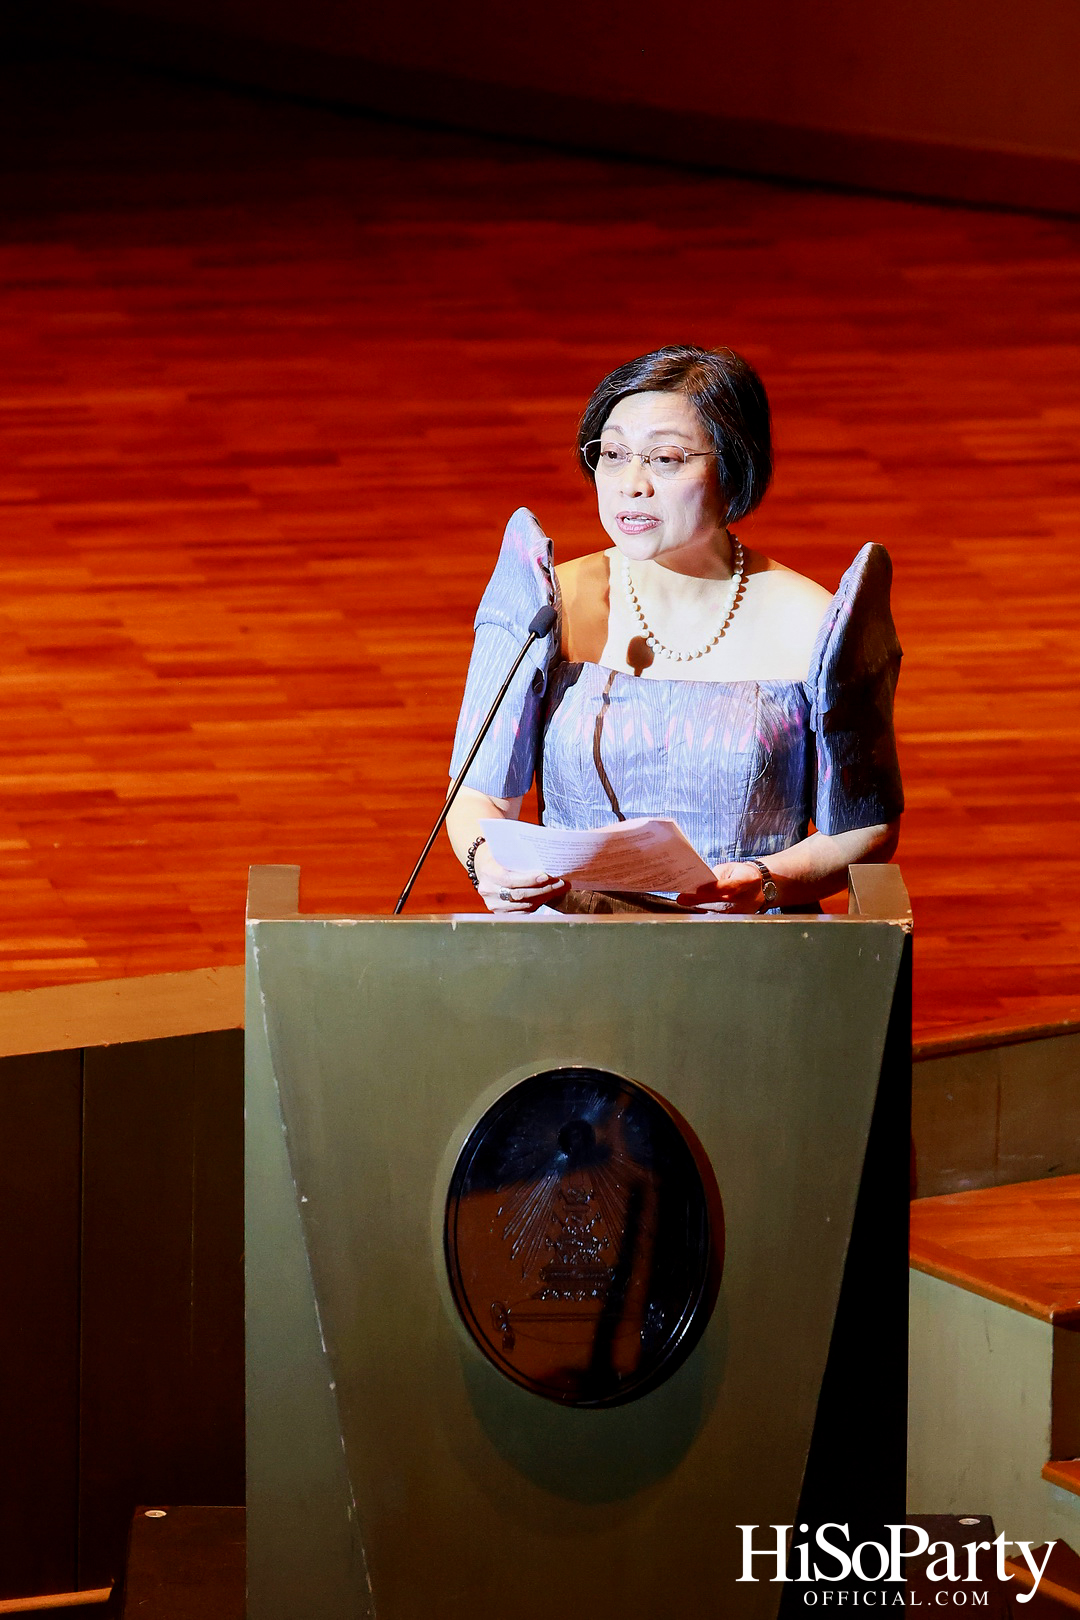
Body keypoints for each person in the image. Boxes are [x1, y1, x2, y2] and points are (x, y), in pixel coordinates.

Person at [445, 345, 902, 915]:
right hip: (563, 953)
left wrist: (766, 880)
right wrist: (487, 862)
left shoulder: (817, 623)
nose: (631, 484)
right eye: (612, 454)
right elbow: (479, 794)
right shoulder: (545, 605)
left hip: (746, 952)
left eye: (665, 459)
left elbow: (866, 829)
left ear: (734, 466)